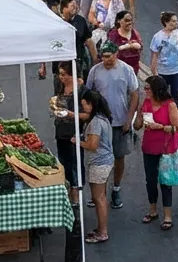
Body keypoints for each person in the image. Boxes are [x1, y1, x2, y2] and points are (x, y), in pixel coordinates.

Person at [85, 41, 139, 210]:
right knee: (99, 159)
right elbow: (88, 93)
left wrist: (129, 118)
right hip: (101, 123)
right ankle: (100, 193)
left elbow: (135, 94)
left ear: (116, 54)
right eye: (103, 57)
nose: (105, 60)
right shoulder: (95, 71)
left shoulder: (126, 70)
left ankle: (116, 188)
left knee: (119, 156)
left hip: (119, 121)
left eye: (109, 56)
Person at [135, 74, 178, 232]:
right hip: (149, 147)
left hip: (165, 148)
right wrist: (139, 116)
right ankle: (152, 209)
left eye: (148, 88)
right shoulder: (146, 103)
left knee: (165, 182)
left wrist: (160, 127)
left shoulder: (170, 105)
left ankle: (167, 216)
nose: (145, 91)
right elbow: (137, 126)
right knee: (150, 180)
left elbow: (176, 127)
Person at [78, 87, 115, 244]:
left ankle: (102, 232)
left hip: (99, 163)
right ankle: (101, 228)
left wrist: (78, 142)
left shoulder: (95, 123)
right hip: (105, 161)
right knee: (101, 197)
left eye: (84, 104)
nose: (83, 108)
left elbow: (92, 145)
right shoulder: (102, 118)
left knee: (98, 198)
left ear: (91, 104)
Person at [53, 58, 79, 200]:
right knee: (64, 163)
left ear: (72, 74)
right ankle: (68, 193)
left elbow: (86, 113)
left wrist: (70, 114)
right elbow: (58, 103)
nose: (61, 77)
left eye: (64, 74)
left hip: (74, 132)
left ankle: (75, 198)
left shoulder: (80, 88)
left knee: (74, 164)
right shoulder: (60, 85)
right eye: (60, 74)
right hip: (61, 130)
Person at [150, 10, 178, 103]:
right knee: (161, 96)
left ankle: (174, 115)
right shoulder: (158, 37)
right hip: (162, 72)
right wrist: (154, 72)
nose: (176, 23)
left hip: (177, 71)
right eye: (173, 21)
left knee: (175, 96)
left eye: (177, 21)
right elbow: (154, 55)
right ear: (166, 22)